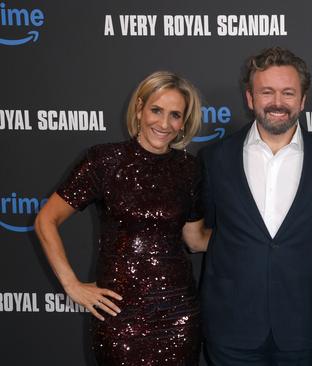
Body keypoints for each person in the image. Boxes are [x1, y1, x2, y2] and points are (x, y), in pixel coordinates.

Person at [35, 71, 211, 365]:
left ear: (183, 122)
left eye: (175, 115)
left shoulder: (190, 169)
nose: (164, 124)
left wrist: (251, 235)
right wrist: (72, 285)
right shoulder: (103, 161)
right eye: (156, 110)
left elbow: (194, 240)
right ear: (140, 108)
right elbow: (45, 220)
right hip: (119, 317)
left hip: (179, 315)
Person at [199, 47, 312, 365]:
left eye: (288, 92)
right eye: (267, 92)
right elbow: (198, 232)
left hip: (305, 329)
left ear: (302, 100)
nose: (278, 102)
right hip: (231, 329)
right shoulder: (215, 159)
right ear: (250, 98)